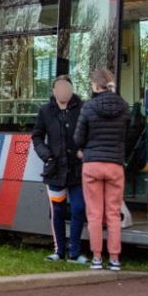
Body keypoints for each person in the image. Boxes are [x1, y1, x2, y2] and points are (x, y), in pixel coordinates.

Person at [74, 68, 130, 272]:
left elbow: (78, 139)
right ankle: (115, 259)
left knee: (95, 214)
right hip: (115, 164)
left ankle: (97, 258)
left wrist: (86, 150)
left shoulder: (88, 107)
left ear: (96, 86)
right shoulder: (124, 106)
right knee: (113, 214)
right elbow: (127, 135)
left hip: (92, 164)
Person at [31, 75, 87, 263]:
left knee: (79, 208)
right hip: (55, 170)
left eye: (67, 88)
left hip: (78, 171)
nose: (64, 92)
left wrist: (83, 152)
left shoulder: (82, 109)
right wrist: (47, 155)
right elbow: (37, 136)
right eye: (60, 88)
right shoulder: (45, 111)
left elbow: (91, 133)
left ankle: (75, 253)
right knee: (58, 210)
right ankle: (59, 251)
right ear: (54, 91)